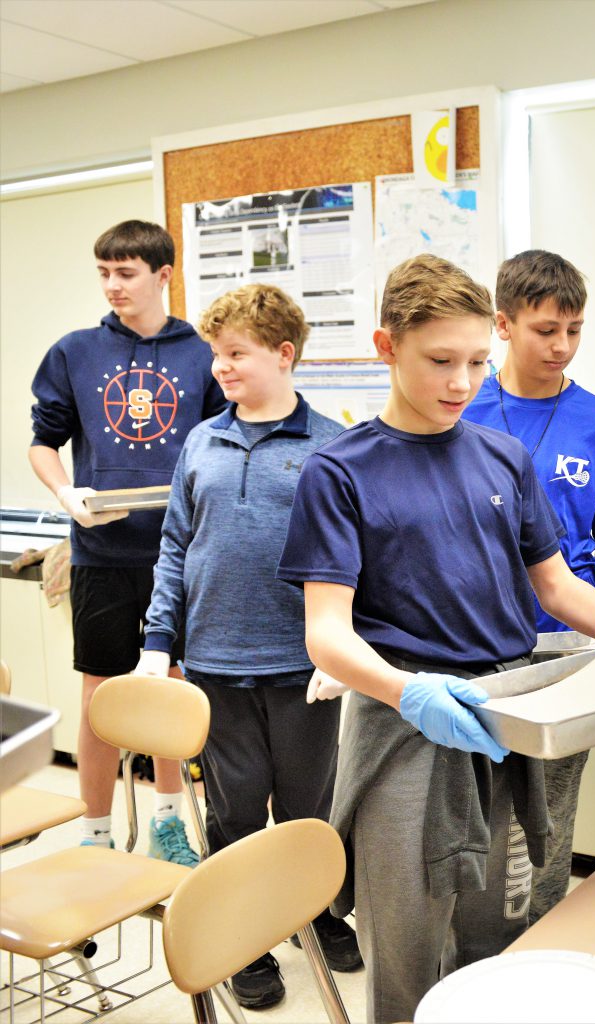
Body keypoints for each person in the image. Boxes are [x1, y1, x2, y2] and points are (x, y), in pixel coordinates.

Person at [277, 253, 595, 1023]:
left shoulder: (501, 456)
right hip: (405, 718)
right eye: (439, 362)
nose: (461, 383)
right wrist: (407, 691)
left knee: (496, 927)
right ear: (385, 346)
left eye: (474, 363)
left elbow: (553, 583)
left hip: (503, 711)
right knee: (407, 934)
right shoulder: (339, 471)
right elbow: (325, 635)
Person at [134, 284, 361, 1009]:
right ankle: (246, 940)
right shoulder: (201, 441)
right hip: (214, 664)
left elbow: (357, 555)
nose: (221, 368)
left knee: (307, 808)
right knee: (233, 812)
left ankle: (318, 914)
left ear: (283, 354)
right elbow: (176, 545)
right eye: (216, 355)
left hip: (303, 667)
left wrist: (345, 650)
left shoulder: (331, 445)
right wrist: (155, 640)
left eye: (236, 353)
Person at [29, 220, 226, 862]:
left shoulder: (202, 353)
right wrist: (66, 495)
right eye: (104, 273)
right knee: (102, 696)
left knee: (169, 689)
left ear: (163, 274)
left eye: (127, 273)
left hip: (181, 554)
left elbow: (220, 444)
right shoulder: (75, 352)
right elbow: (43, 443)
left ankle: (168, 823)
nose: (113, 286)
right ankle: (95, 830)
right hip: (102, 555)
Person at [462, 249, 595, 924]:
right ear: (503, 324)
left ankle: (541, 935)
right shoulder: (459, 407)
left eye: (574, 330)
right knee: (476, 802)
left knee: (550, 812)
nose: (561, 346)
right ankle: (471, 943)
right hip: (474, 639)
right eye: (544, 330)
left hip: (565, 644)